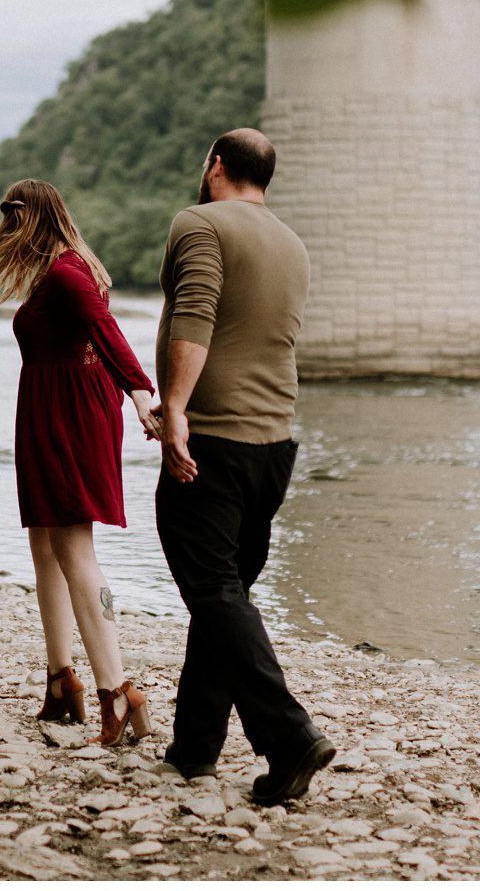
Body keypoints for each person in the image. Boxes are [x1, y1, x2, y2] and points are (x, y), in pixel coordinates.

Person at [151, 128, 335, 805]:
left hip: (215, 441)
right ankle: (194, 750)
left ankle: (289, 739)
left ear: (216, 167)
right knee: (224, 596)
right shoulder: (292, 242)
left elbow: (195, 316)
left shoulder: (198, 222)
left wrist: (174, 410)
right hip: (274, 444)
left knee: (214, 592)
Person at [0, 178, 160, 746]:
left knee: (74, 547)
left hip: (70, 415)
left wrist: (142, 393)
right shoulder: (56, 270)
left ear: (36, 216)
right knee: (45, 543)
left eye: (14, 217)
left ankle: (116, 691)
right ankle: (60, 678)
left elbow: (107, 331)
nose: (7, 229)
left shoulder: (68, 273)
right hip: (51, 410)